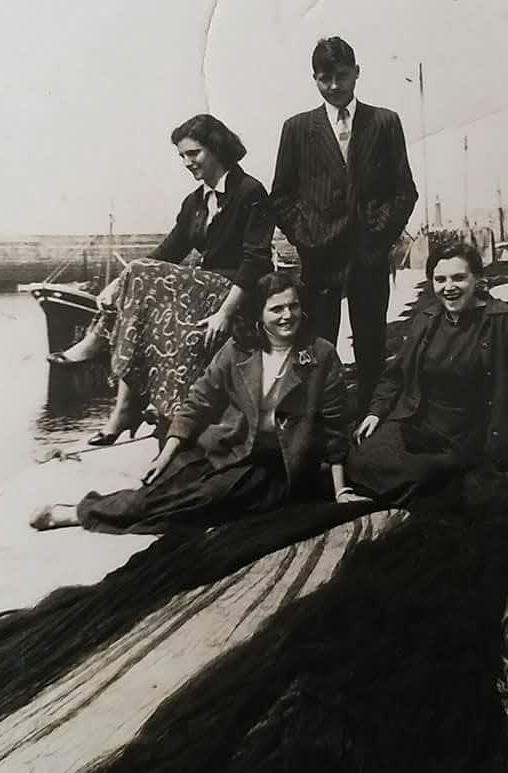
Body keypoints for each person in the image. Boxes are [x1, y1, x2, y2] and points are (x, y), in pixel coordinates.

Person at [30, 271, 368, 534]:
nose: (287, 316)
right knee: (164, 489)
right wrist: (165, 455)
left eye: (293, 306)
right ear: (259, 314)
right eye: (276, 309)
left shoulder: (320, 354)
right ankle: (86, 509)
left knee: (200, 500)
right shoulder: (239, 349)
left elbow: (335, 427)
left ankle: (76, 514)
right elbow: (199, 401)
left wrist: (340, 491)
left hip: (273, 468)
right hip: (225, 449)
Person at [50, 114, 274, 445]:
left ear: (216, 149)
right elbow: (169, 251)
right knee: (141, 295)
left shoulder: (249, 191)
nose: (186, 162)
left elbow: (256, 260)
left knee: (141, 275)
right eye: (182, 156)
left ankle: (101, 347)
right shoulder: (196, 201)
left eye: (193, 153)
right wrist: (118, 283)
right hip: (205, 288)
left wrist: (225, 313)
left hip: (240, 292)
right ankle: (125, 408)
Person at [270, 36, 418, 415]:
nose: (334, 86)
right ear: (314, 79)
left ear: (356, 73)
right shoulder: (297, 128)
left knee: (371, 345)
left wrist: (379, 238)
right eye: (324, 78)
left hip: (368, 257)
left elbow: (404, 192)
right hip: (319, 259)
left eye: (341, 76)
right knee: (317, 346)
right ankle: (320, 422)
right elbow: (281, 196)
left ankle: (369, 422)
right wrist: (306, 238)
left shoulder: (384, 122)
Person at [346, 243, 508, 505]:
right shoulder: (427, 319)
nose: (449, 287)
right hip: (418, 422)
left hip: (464, 434)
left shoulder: (502, 323)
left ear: (477, 279)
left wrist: (497, 452)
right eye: (440, 279)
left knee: (421, 476)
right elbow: (396, 375)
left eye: (459, 278)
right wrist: (375, 412)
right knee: (359, 459)